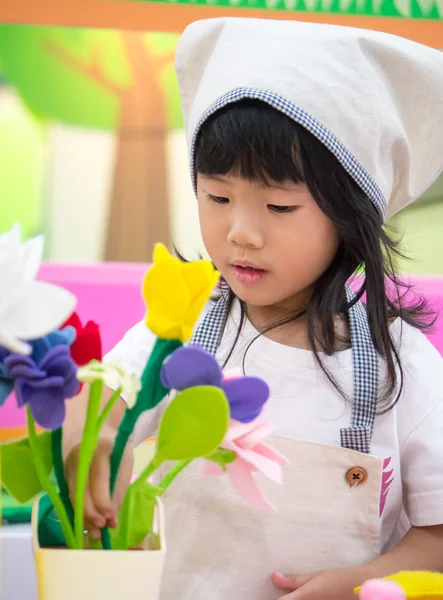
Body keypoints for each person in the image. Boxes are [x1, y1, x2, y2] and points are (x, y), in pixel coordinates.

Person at [62, 17, 443, 600]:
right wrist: (83, 432)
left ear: (351, 213)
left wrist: (361, 582)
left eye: (280, 206)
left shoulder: (404, 368)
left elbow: (436, 539)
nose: (241, 232)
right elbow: (103, 409)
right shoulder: (180, 328)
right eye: (217, 196)